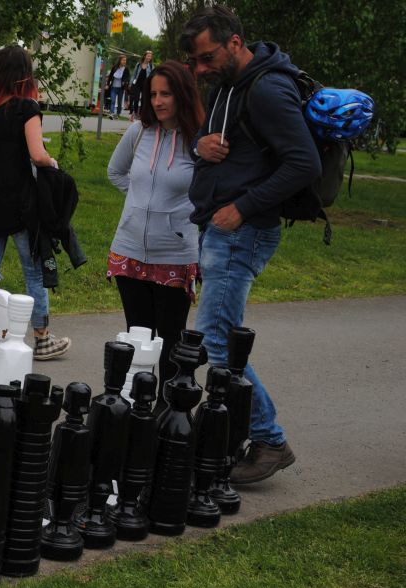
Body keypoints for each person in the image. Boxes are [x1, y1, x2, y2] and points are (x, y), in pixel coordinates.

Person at [181, 6, 320, 483]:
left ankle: (268, 440)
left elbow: (304, 163)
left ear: (235, 42)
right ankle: (233, 433)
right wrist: (201, 147)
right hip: (221, 230)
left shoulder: (267, 90)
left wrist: (242, 207)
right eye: (197, 63)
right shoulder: (229, 85)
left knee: (219, 340)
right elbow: (206, 139)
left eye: (207, 57)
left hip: (242, 231)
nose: (201, 70)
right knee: (218, 337)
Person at [0, 45, 71, 363]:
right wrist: (53, 163)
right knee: (33, 272)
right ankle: (42, 338)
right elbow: (37, 154)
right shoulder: (28, 108)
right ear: (26, 76)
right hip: (21, 202)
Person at [107, 60, 204, 402]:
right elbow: (116, 173)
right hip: (129, 250)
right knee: (137, 337)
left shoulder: (198, 141)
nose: (159, 101)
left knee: (170, 342)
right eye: (154, 94)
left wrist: (177, 217)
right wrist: (138, 205)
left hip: (175, 255)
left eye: (167, 94)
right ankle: (134, 407)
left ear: (183, 95)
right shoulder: (138, 132)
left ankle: (168, 412)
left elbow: (209, 193)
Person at [128, 50, 154, 121]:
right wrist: (130, 84)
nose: (149, 57)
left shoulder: (151, 66)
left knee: (143, 100)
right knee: (135, 99)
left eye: (150, 56)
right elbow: (134, 75)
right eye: (148, 56)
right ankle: (135, 113)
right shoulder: (139, 64)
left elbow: (152, 76)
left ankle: (141, 115)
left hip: (145, 85)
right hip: (137, 84)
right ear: (145, 56)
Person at [104, 55, 129, 119]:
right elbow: (110, 76)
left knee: (120, 102)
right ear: (120, 60)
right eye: (123, 60)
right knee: (113, 100)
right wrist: (107, 84)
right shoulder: (115, 67)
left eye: (125, 60)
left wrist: (125, 82)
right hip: (114, 87)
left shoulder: (126, 69)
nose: (124, 61)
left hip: (121, 88)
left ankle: (118, 113)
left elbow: (127, 77)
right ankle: (112, 113)